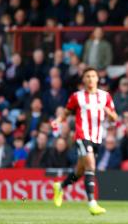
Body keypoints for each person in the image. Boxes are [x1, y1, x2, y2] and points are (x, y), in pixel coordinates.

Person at [51, 68, 118, 216]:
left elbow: (114, 117)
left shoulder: (105, 96)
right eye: (87, 76)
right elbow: (67, 112)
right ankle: (92, 203)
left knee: (80, 171)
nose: (90, 79)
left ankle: (60, 186)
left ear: (97, 79)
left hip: (97, 138)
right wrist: (58, 120)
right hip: (82, 136)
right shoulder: (77, 97)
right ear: (83, 80)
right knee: (91, 166)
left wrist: (110, 115)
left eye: (93, 76)